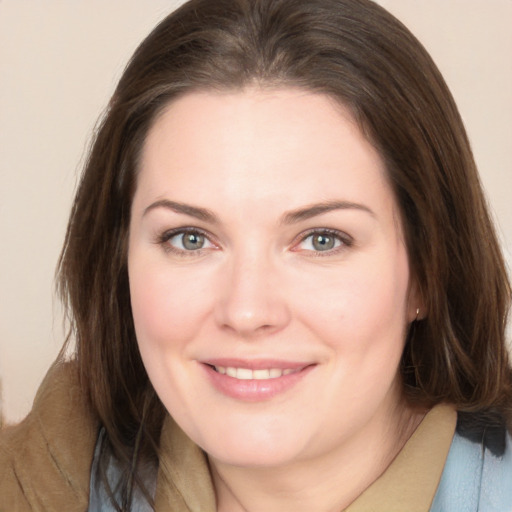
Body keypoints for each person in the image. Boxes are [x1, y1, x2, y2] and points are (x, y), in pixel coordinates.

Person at [1, 0, 511, 510]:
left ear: (426, 272)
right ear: (120, 258)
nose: (246, 312)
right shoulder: (50, 466)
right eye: (190, 238)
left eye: (321, 239)